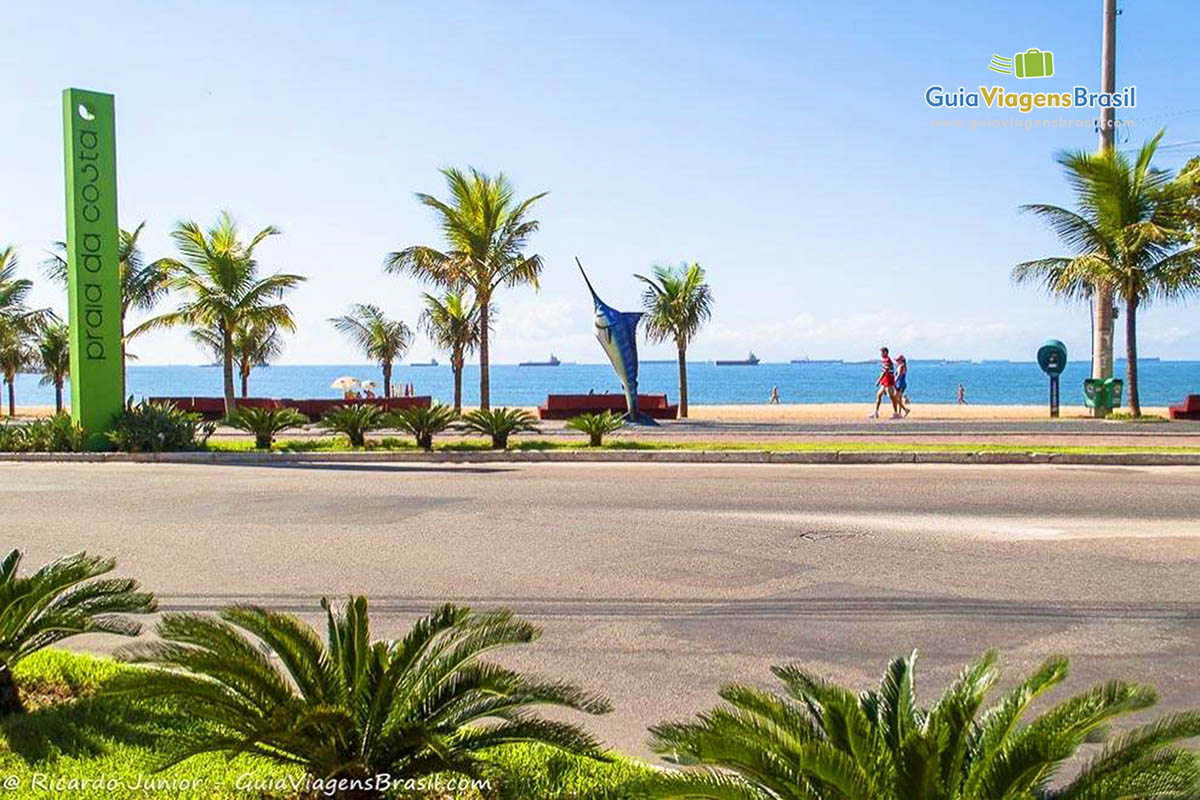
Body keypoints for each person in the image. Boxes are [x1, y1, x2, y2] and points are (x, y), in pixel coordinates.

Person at [872, 347, 895, 419]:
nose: (881, 354)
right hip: (884, 382)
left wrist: (878, 381)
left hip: (889, 382)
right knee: (878, 395)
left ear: (885, 352)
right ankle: (876, 412)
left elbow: (884, 372)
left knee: (892, 397)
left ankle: (896, 413)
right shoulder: (885, 360)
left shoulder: (888, 360)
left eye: (882, 352)